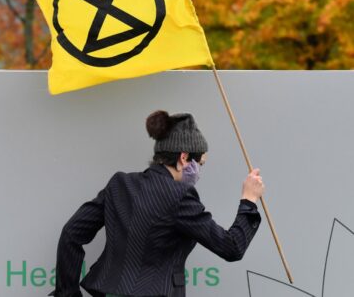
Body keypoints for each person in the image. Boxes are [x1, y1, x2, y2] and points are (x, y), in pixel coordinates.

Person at [49, 110, 264, 297]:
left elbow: (71, 234)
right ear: (183, 157)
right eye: (200, 163)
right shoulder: (180, 195)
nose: (199, 171)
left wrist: (67, 293)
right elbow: (232, 247)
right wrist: (249, 201)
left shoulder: (119, 183)